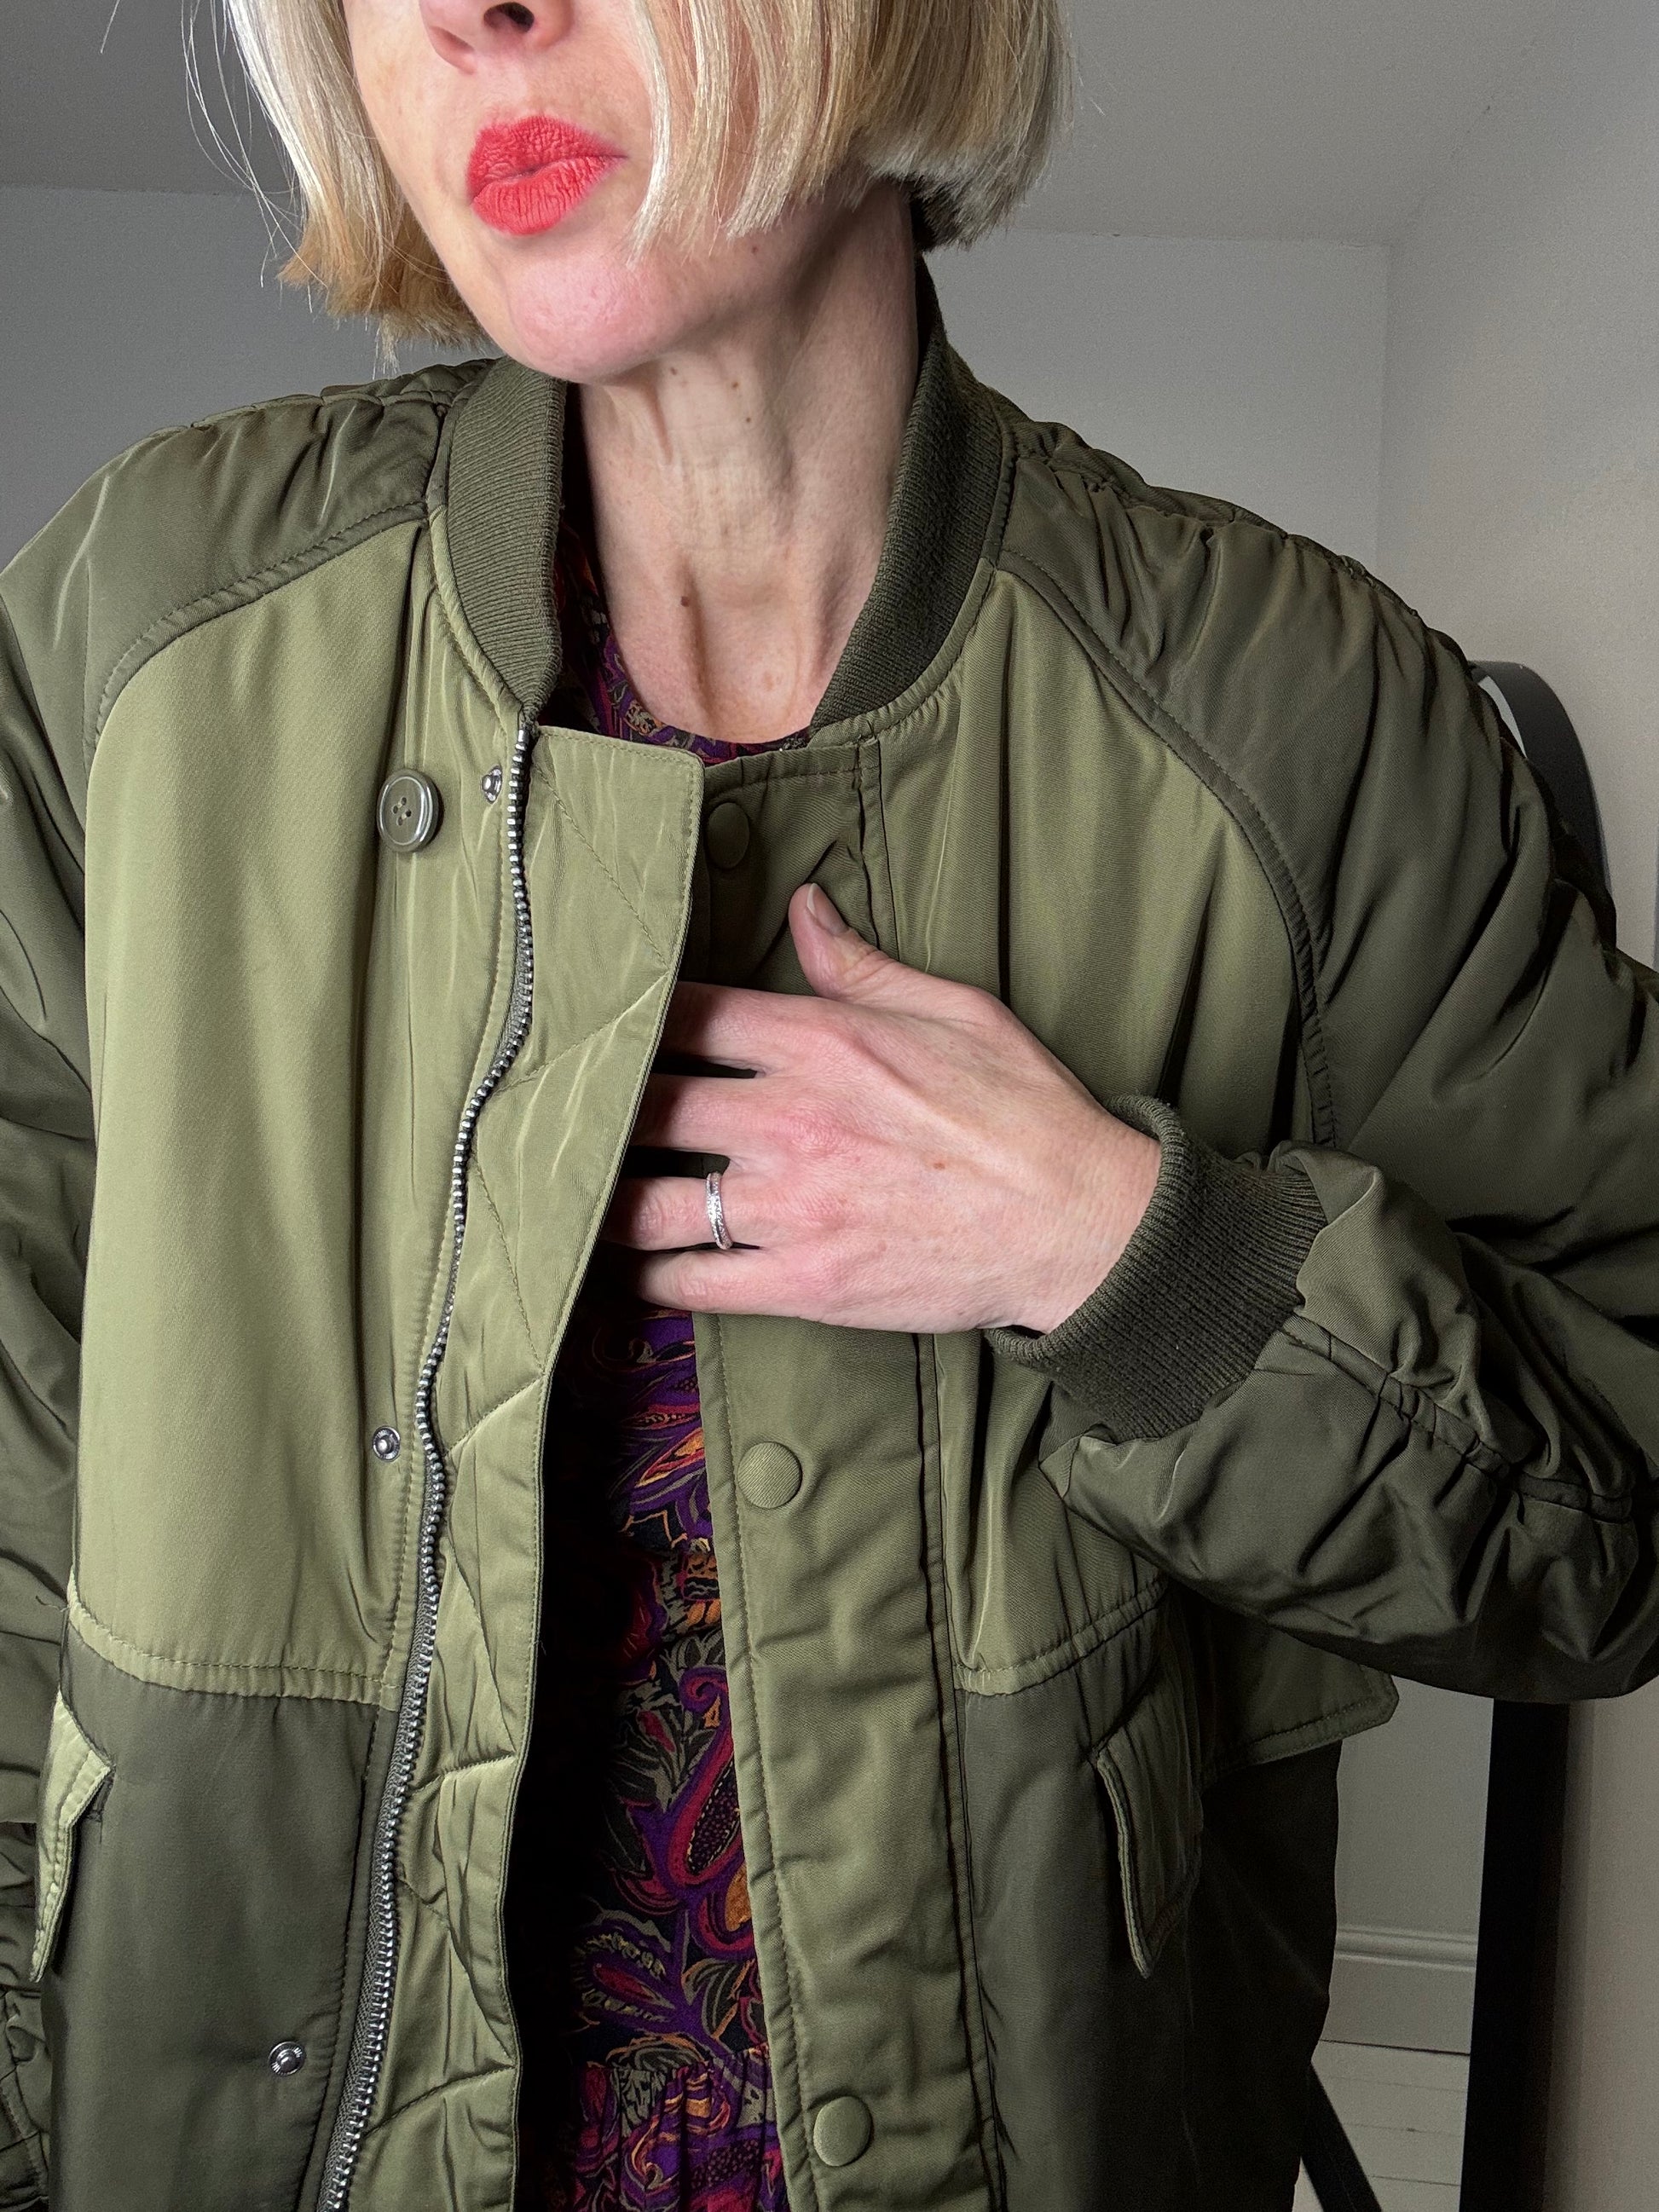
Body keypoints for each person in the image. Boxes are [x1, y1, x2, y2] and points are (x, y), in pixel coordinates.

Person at [2, 0, 1656, 2206]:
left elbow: (1618, 1528)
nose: (475, 12)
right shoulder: (139, 643)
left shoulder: (1299, 714)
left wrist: (1135, 1258)